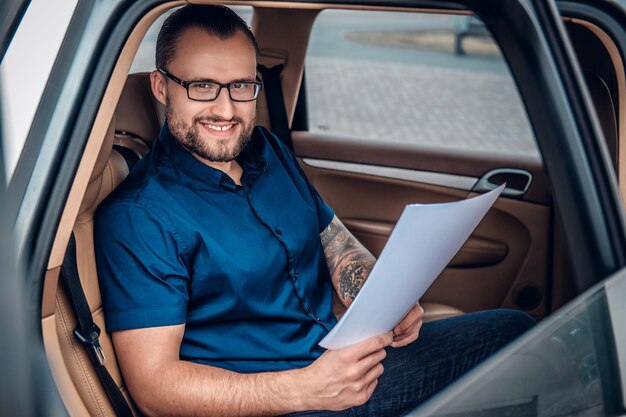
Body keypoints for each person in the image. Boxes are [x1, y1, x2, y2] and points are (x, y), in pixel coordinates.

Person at [94, 5, 535, 417]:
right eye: (202, 86)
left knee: (515, 335)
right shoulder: (140, 216)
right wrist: (307, 388)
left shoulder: (267, 150)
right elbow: (155, 388)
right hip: (281, 401)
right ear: (161, 86)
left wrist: (387, 298)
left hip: (336, 361)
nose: (226, 109)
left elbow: (333, 240)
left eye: (242, 87)